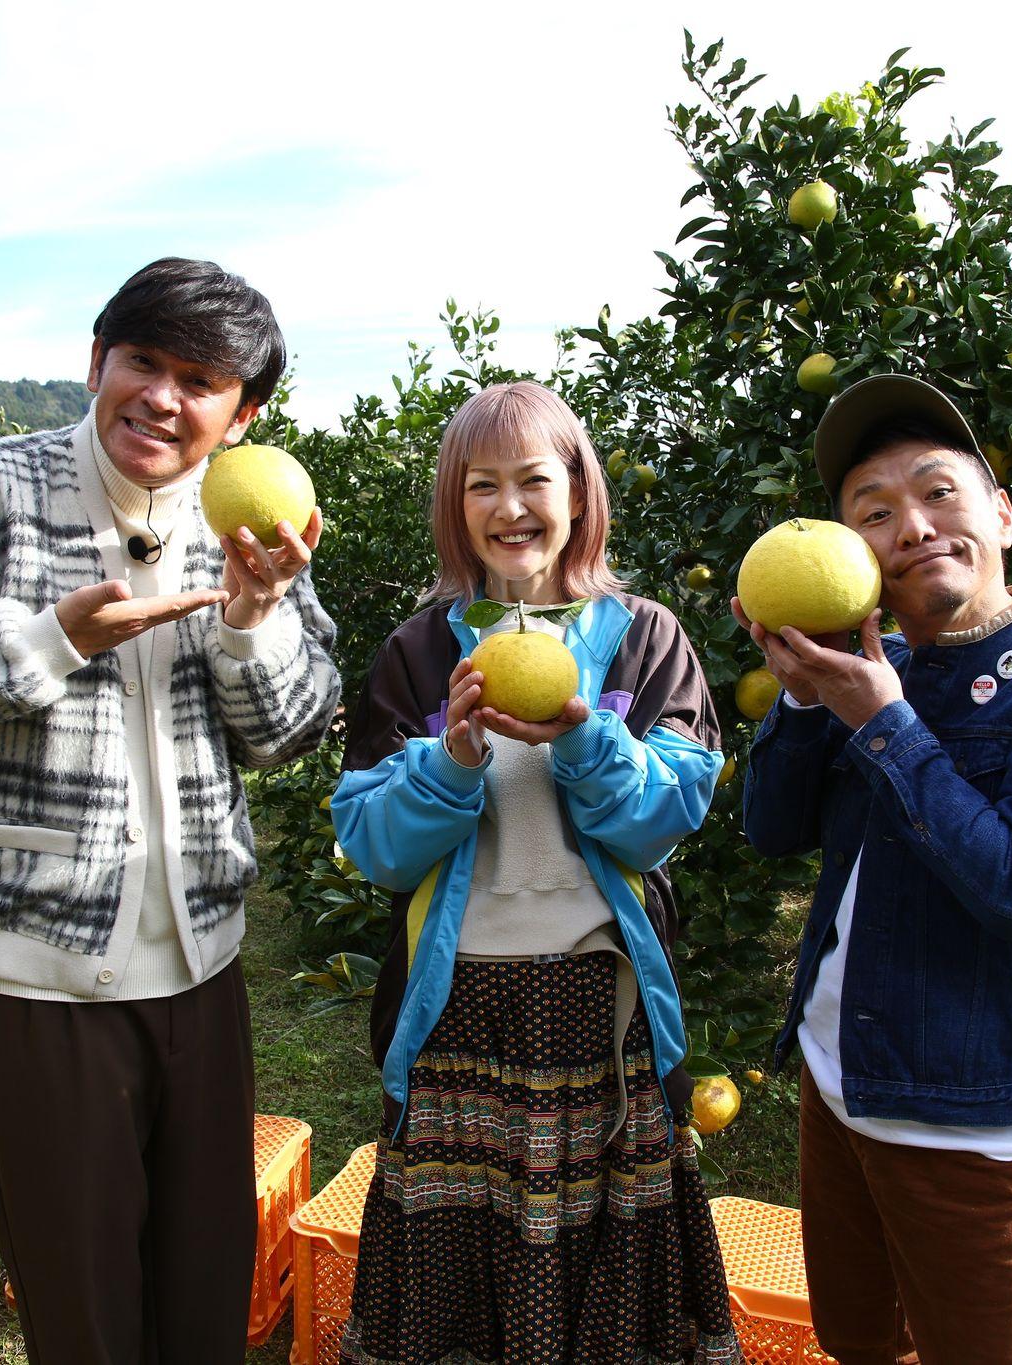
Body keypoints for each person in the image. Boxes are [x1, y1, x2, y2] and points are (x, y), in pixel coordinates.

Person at [0, 257, 339, 1364]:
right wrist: (48, 641)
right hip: (38, 964)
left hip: (203, 960)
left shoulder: (258, 521)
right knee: (82, 1303)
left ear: (242, 416)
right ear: (96, 361)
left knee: (204, 1286)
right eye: (142, 361)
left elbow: (292, 732)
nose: (162, 397)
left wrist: (253, 619)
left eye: (200, 380)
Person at [737, 374, 1012, 1365]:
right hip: (837, 1085)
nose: (911, 526)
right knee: (857, 1341)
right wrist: (804, 700)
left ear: (999, 515)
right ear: (852, 554)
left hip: (975, 1125)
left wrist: (880, 721)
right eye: (872, 513)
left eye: (938, 494)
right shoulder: (869, 664)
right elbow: (769, 831)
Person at [329, 381, 740, 1364]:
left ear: (577, 494)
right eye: (482, 485)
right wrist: (453, 757)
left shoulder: (642, 638)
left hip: (598, 1006)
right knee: (461, 1265)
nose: (509, 507)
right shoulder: (420, 653)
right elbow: (372, 842)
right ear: (454, 508)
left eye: (532, 480)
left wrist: (585, 736)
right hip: (456, 1003)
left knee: (601, 1251)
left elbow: (661, 820)